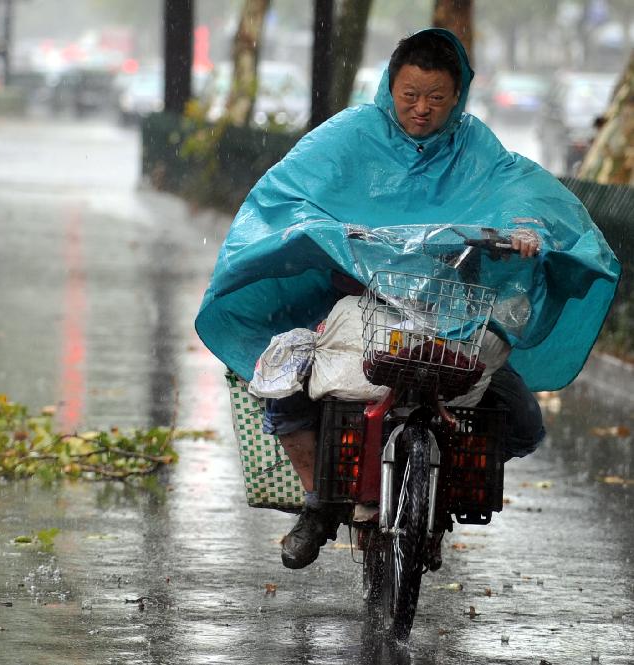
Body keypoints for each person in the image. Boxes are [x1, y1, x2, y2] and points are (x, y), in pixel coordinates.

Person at [194, 29, 620, 570]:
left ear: (459, 95)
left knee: (517, 421)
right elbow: (288, 192)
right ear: (388, 87)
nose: (422, 110)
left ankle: (438, 506)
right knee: (286, 390)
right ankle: (319, 504)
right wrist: (319, 229)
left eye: (437, 98)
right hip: (353, 307)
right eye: (410, 95)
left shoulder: (474, 144)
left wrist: (525, 228)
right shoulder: (348, 134)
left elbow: (517, 188)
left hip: (451, 314)